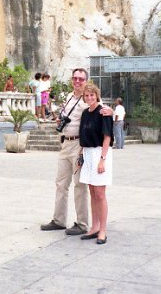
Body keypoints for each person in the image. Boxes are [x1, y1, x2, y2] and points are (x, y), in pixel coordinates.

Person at [41, 68, 112, 236]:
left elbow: (103, 110)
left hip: (79, 145)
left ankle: (82, 223)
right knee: (61, 183)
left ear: (86, 81)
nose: (77, 81)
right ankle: (59, 220)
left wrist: (113, 111)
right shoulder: (69, 97)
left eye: (81, 78)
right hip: (65, 143)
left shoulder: (88, 98)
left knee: (80, 185)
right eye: (75, 78)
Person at [77, 82, 113, 245]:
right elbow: (83, 137)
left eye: (92, 95)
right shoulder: (85, 113)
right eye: (86, 95)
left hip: (100, 152)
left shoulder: (103, 112)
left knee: (100, 193)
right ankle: (95, 227)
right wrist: (81, 156)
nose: (89, 97)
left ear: (96, 95)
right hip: (88, 153)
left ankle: (103, 230)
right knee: (92, 191)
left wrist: (102, 160)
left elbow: (107, 137)